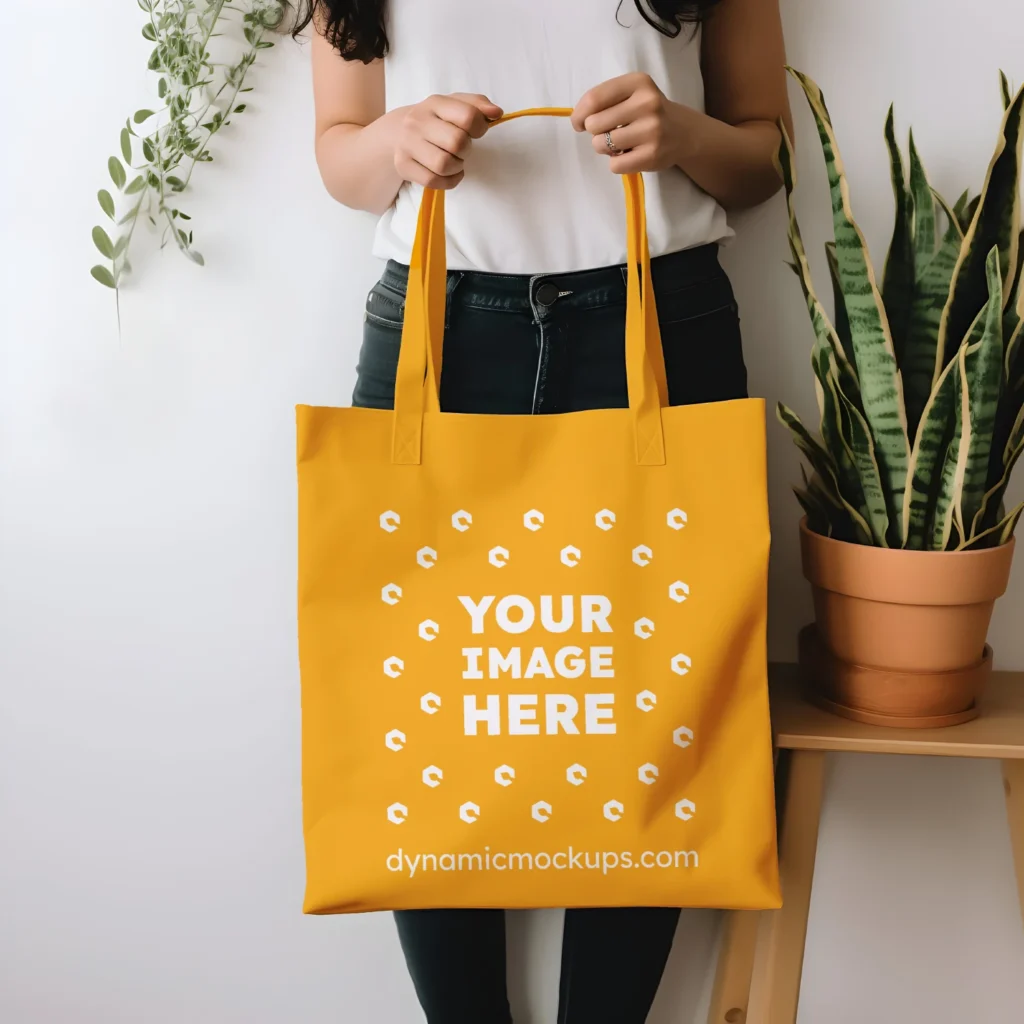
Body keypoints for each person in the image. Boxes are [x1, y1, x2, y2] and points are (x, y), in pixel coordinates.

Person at [296, 1, 791, 1021]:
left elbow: (761, 151)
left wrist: (683, 134)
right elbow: (339, 156)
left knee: (653, 702)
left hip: (663, 310)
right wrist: (396, 140)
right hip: (441, 323)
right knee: (427, 710)